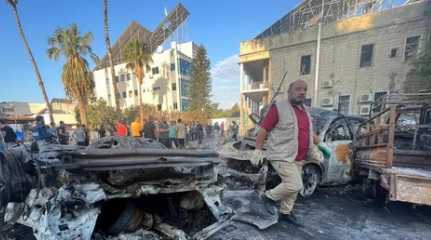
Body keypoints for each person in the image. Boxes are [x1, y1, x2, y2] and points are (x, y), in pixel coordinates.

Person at [251, 79, 318, 225]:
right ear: (289, 92)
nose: (302, 92)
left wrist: (317, 147)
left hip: (299, 157)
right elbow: (264, 129)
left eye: (304, 89)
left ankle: (285, 213)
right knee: (295, 185)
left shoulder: (306, 111)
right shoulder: (279, 107)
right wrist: (257, 149)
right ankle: (268, 197)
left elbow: (308, 132)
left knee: (292, 191)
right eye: (298, 89)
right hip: (281, 155)